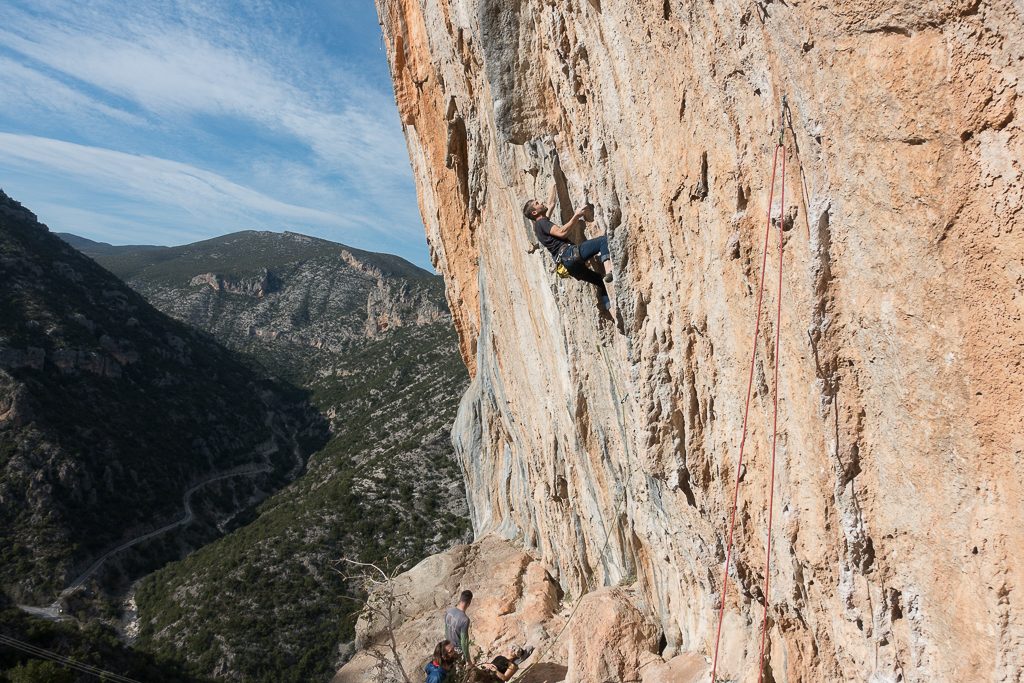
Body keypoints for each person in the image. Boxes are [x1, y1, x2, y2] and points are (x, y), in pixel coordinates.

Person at [522, 190, 614, 306]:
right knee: (602, 241)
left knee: (599, 281)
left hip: (568, 266)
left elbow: (551, 204)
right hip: (569, 254)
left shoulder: (539, 227)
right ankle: (609, 270)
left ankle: (609, 308)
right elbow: (561, 233)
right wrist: (576, 215)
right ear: (535, 212)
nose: (540, 202)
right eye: (537, 203)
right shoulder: (543, 223)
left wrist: (554, 185)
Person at [444, 590, 473, 663]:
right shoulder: (465, 620)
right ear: (469, 603)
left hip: (447, 647)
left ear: (460, 599)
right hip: (457, 651)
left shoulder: (449, 611)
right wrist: (468, 660)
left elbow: (446, 629)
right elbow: (464, 642)